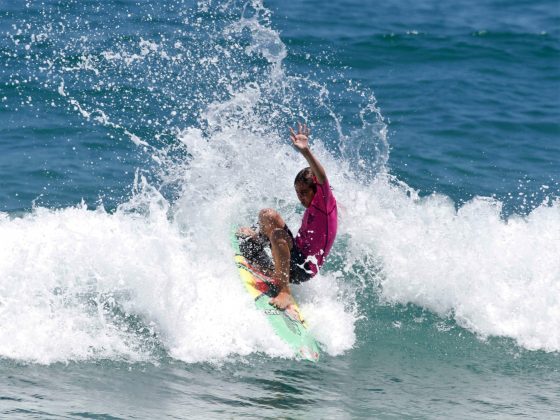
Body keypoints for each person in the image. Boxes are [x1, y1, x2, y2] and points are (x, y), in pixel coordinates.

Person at [238, 123, 338, 310]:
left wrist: (306, 151)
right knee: (267, 215)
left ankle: (284, 291)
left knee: (277, 235)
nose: (300, 197)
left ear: (316, 191)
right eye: (297, 193)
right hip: (296, 254)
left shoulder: (323, 202)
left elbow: (322, 177)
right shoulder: (315, 204)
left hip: (304, 268)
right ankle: (258, 241)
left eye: (304, 193)